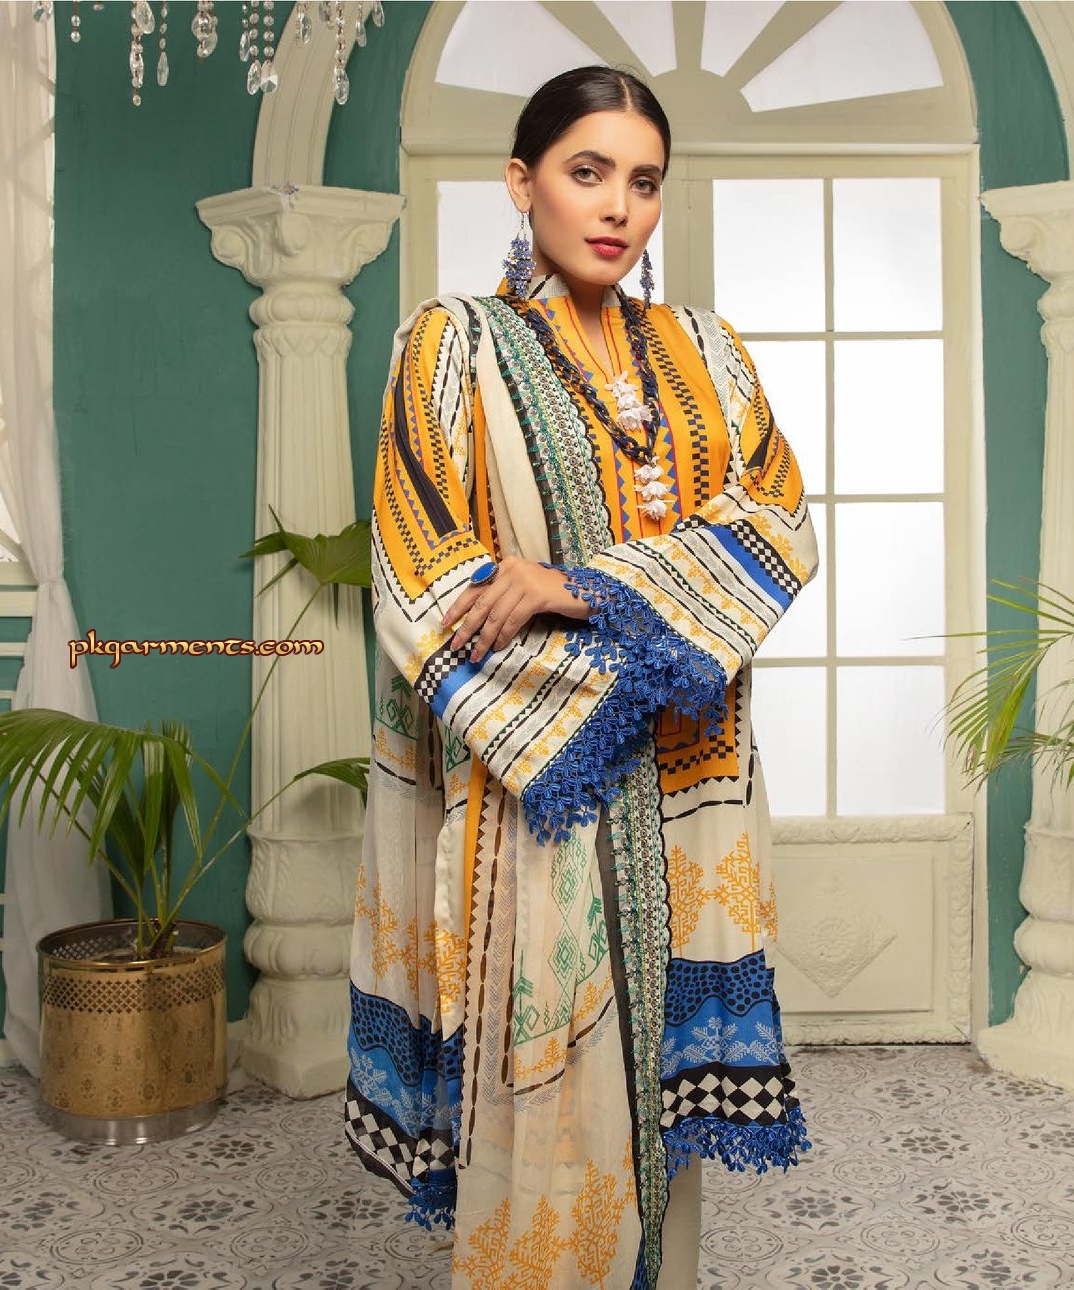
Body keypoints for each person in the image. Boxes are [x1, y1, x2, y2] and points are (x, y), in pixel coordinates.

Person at [342, 64, 818, 1289]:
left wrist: (575, 584)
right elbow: (426, 584)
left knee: (665, 1111)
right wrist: (641, 638)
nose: (616, 208)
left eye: (642, 182)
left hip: (692, 798)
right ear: (522, 182)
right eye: (585, 171)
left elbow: (777, 527)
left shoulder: (704, 352)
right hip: (534, 800)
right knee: (550, 1112)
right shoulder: (452, 346)